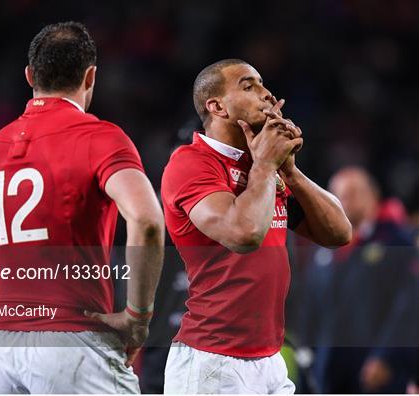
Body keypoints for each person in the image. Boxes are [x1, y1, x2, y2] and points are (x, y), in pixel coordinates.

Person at [0, 21, 165, 394]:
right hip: (72, 342)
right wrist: (138, 317)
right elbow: (147, 219)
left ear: (29, 76)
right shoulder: (99, 138)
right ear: (90, 77)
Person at [161, 58, 352, 394]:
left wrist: (290, 171)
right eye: (249, 86)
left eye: (263, 85)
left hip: (269, 358)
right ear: (217, 106)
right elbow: (244, 234)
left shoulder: (263, 167)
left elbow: (339, 233)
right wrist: (266, 165)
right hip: (212, 361)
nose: (266, 94)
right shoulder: (190, 163)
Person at [300, 167, 418, 393]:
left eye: (352, 193)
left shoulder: (398, 241)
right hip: (330, 367)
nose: (344, 200)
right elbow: (311, 308)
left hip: (377, 368)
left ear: (373, 196)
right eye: (337, 194)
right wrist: (307, 359)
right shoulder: (323, 248)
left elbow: (408, 306)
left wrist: (388, 356)